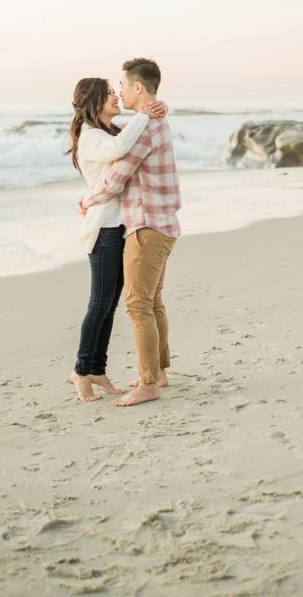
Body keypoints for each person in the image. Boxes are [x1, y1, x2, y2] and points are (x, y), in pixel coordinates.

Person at [80, 58, 181, 407]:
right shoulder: (156, 121)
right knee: (152, 302)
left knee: (138, 305)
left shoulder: (146, 130)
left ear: (138, 87)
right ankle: (159, 373)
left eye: (122, 85)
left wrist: (86, 200)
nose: (119, 92)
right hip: (164, 224)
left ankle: (149, 383)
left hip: (146, 225)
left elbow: (115, 180)